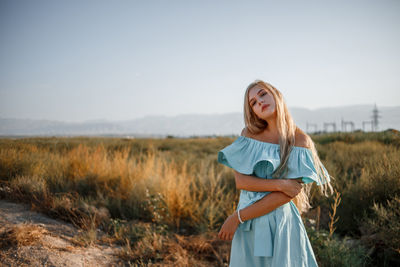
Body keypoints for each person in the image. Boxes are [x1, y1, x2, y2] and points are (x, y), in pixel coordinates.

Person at [217, 80, 333, 267]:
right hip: (248, 225)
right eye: (253, 102)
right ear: (252, 111)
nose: (259, 102)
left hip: (280, 224)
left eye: (262, 94)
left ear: (276, 94)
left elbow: (287, 195)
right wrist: (280, 184)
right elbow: (241, 181)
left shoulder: (299, 140)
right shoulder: (249, 135)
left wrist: (237, 217)